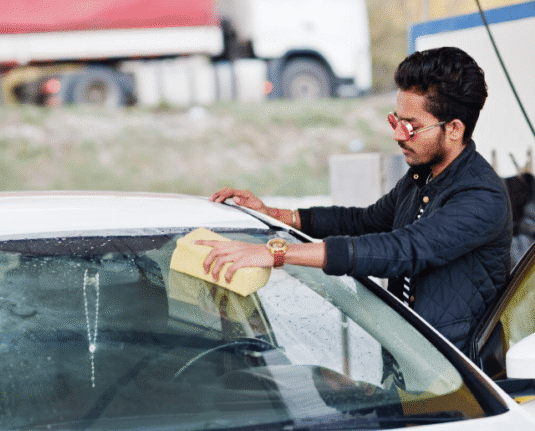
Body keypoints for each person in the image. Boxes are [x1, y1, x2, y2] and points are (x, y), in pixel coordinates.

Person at [200, 47, 512, 358]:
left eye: (411, 127)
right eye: (395, 121)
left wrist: (276, 253)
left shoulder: (482, 198)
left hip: (458, 382)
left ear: (454, 128)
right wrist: (275, 214)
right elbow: (363, 222)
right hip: (409, 363)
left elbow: (402, 250)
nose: (398, 136)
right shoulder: (422, 177)